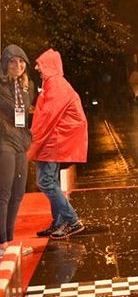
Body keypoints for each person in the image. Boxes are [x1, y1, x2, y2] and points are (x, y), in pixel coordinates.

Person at [27, 49, 88, 240]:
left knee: (45, 182)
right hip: (52, 140)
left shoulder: (55, 84)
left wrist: (32, 138)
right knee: (51, 182)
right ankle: (59, 222)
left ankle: (72, 221)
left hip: (53, 141)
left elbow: (47, 116)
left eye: (40, 65)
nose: (37, 69)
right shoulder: (53, 83)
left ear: (48, 66)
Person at [0, 46, 35, 252]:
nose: (18, 65)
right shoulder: (2, 85)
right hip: (4, 142)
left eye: (21, 61)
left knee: (18, 193)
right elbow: (12, 111)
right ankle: (1, 242)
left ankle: (9, 239)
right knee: (3, 193)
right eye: (12, 61)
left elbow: (24, 113)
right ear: (5, 63)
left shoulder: (27, 85)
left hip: (21, 142)